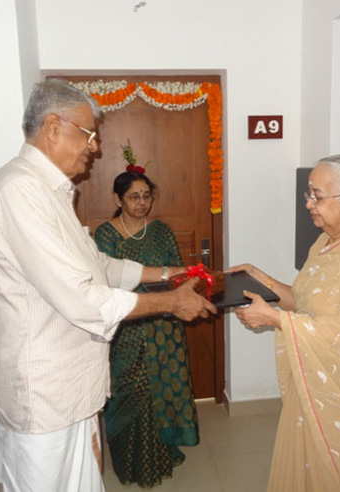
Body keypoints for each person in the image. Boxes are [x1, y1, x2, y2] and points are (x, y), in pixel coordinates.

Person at [0, 79, 216, 492]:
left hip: (71, 386)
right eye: (88, 133)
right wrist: (170, 303)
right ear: (53, 127)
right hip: (44, 392)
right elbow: (85, 299)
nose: (95, 147)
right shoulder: (20, 191)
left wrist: (164, 274)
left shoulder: (50, 192)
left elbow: (96, 265)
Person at [230, 154, 340, 492]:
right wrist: (259, 278)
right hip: (317, 379)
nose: (308, 204)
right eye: (308, 194)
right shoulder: (324, 243)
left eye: (316, 195)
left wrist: (276, 320)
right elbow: (303, 301)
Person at [94, 170, 199, 487]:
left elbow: (177, 273)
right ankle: (131, 463)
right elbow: (105, 282)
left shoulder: (161, 231)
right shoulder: (105, 236)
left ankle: (160, 455)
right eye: (134, 196)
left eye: (146, 196)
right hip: (125, 328)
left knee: (162, 389)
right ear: (117, 199)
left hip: (163, 326)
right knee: (131, 391)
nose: (142, 203)